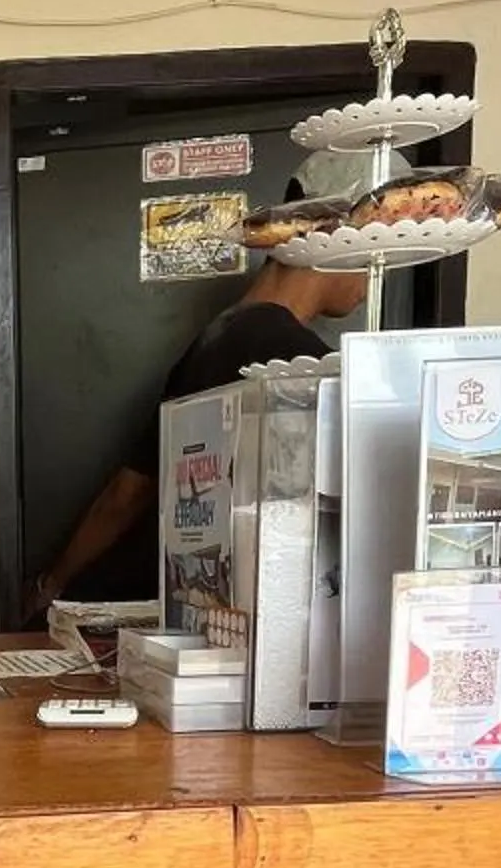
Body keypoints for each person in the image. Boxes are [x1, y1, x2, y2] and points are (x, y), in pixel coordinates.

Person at [22, 254, 370, 616]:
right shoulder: (297, 360)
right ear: (328, 242)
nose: (370, 281)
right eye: (366, 250)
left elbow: (129, 491)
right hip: (251, 606)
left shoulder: (219, 336)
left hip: (186, 600)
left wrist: (52, 584)